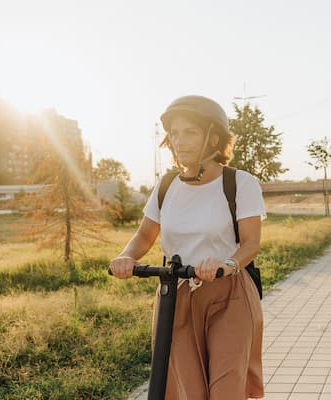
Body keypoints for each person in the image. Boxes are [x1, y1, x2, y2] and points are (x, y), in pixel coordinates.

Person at [109, 95, 266, 399]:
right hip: (175, 294)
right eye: (175, 133)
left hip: (228, 292)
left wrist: (226, 265)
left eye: (190, 132)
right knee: (185, 390)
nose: (180, 140)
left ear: (214, 137)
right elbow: (144, 236)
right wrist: (126, 257)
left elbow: (251, 243)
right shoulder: (166, 186)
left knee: (225, 389)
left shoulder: (240, 183)